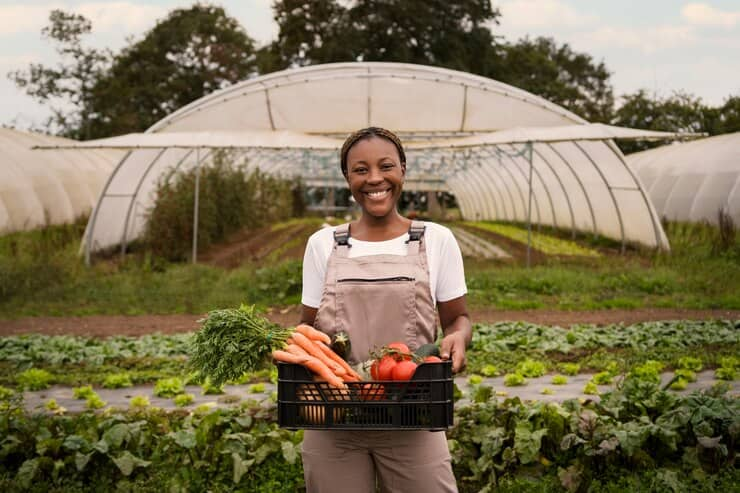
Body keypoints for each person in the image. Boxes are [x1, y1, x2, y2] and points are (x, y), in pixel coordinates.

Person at [299, 127, 472, 493]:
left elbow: (457, 317)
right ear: (348, 178)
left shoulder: (436, 240)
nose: (374, 178)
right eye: (360, 170)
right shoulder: (322, 244)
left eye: (386, 166)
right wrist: (298, 355)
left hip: (412, 416)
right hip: (335, 418)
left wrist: (457, 337)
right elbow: (307, 328)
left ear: (403, 170)